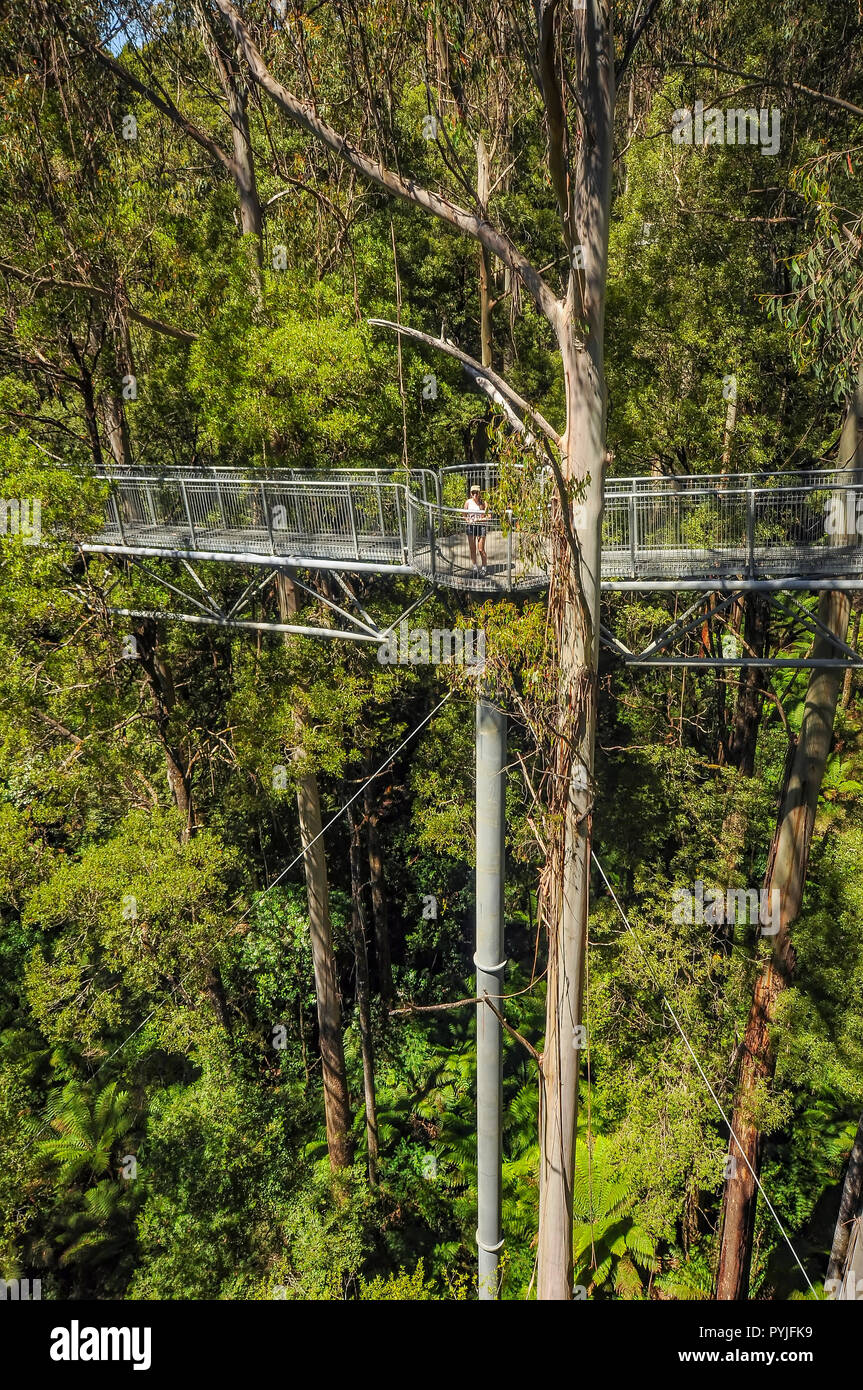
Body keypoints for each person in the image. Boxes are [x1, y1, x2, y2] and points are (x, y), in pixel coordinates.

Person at [463, 484, 488, 576]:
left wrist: (479, 520)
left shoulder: (484, 503)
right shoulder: (468, 502)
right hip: (471, 526)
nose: (475, 495)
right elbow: (464, 515)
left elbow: (489, 516)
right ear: (470, 493)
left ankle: (484, 567)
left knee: (481, 549)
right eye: (473, 493)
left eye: (476, 493)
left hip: (481, 526)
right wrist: (467, 520)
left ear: (479, 493)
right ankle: (474, 567)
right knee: (472, 548)